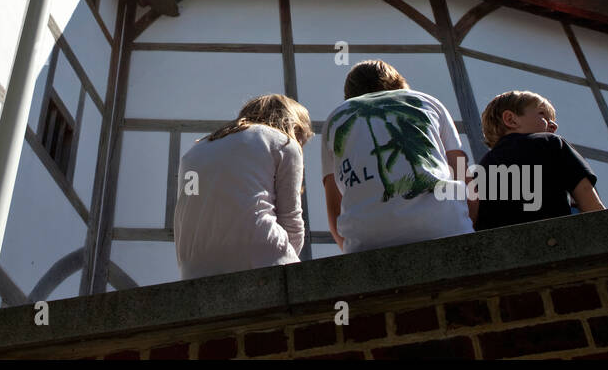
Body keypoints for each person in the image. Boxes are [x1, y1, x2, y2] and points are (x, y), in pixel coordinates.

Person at [322, 60, 471, 253]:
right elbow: (462, 174)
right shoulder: (426, 102)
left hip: (366, 242)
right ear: (398, 82)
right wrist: (466, 224)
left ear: (349, 93)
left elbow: (333, 206)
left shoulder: (336, 118)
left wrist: (352, 250)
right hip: (447, 227)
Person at [174, 94, 312, 280]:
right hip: (263, 258)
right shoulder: (284, 142)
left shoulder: (193, 151)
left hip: (193, 270)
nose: (300, 144)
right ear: (294, 126)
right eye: (301, 138)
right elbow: (291, 221)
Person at [472, 90, 605, 230]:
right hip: (556, 238)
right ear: (511, 119)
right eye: (543, 115)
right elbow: (588, 200)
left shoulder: (480, 171)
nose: (554, 125)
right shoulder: (552, 143)